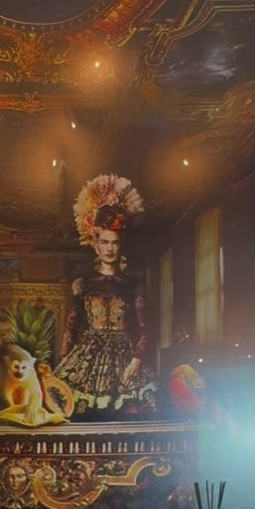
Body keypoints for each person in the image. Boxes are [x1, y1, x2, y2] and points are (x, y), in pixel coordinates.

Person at [55, 172, 156, 418]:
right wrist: (65, 359)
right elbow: (71, 327)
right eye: (104, 242)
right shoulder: (83, 284)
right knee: (82, 413)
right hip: (87, 356)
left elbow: (145, 329)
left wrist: (137, 360)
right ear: (95, 243)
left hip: (124, 356)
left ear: (121, 245)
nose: (110, 248)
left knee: (126, 413)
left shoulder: (132, 285)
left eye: (115, 242)